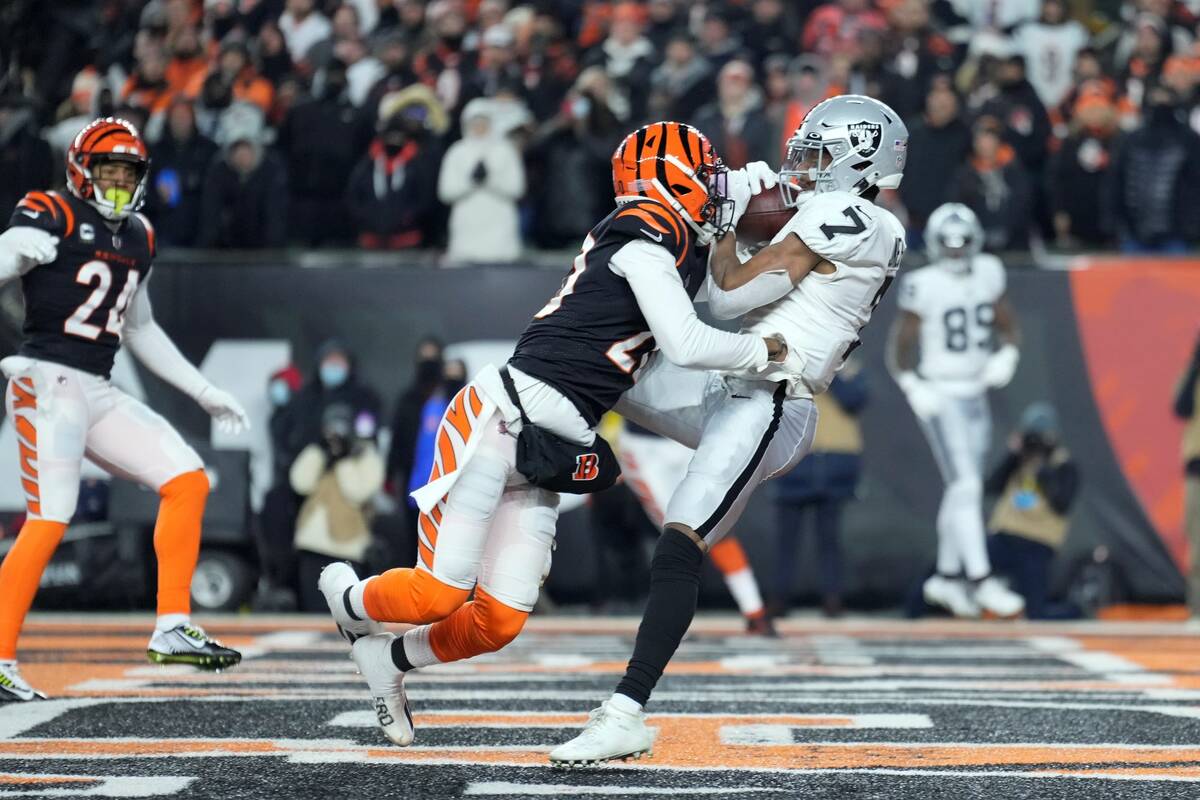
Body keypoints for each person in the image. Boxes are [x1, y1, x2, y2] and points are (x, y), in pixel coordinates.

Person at [319, 121, 798, 747]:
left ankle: (388, 661)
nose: (715, 188)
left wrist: (772, 219)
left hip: (549, 450)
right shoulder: (642, 233)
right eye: (704, 176)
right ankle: (350, 600)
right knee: (438, 592)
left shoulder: (674, 244)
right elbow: (688, 342)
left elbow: (729, 293)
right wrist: (766, 350)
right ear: (670, 181)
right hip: (498, 420)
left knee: (499, 622)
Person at [551, 95, 909, 765]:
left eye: (819, 149)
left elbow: (729, 296)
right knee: (593, 361)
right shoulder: (847, 215)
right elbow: (736, 275)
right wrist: (730, 205)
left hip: (772, 399)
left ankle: (624, 712)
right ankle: (547, 476)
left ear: (861, 156)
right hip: (731, 382)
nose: (804, 159)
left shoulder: (854, 215)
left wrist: (721, 222)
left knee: (682, 534)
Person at [0, 118, 249, 701]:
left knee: (187, 480)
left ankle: (170, 626)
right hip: (46, 379)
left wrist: (203, 390)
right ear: (80, 171)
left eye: (126, 172)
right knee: (51, 516)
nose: (116, 182)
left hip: (96, 386)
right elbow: (9, 254)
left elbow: (141, 328)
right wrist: (8, 255)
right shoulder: (48, 211)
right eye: (107, 170)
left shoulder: (139, 234)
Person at [888, 202, 1025, 619]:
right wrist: (913, 385)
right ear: (932, 245)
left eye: (962, 243)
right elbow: (899, 347)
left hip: (976, 393)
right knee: (966, 486)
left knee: (963, 488)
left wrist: (1010, 354)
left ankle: (946, 577)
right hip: (942, 393)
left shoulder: (988, 271)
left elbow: (1008, 324)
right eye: (947, 245)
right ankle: (981, 581)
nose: (955, 251)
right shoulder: (922, 284)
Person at [617, 420, 776, 635]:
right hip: (643, 446)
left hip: (688, 436)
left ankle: (754, 611)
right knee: (677, 532)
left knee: (715, 522)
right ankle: (670, 620)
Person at [770, 365, 868, 619]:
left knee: (829, 537)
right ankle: (780, 597)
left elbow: (855, 399)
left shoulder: (847, 364)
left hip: (835, 459)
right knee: (787, 538)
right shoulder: (790, 361)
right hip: (793, 454)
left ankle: (832, 597)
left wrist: (827, 370)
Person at [985, 403, 1080, 620]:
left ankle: (1077, 610)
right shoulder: (1017, 460)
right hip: (1004, 539)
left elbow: (1062, 504)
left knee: (1036, 613)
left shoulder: (1064, 465)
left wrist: (1043, 471)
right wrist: (1012, 454)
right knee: (961, 561)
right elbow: (990, 487)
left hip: (1036, 547)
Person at [291, 403, 384, 612]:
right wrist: (319, 453)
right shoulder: (320, 451)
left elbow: (358, 492)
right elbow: (300, 483)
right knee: (313, 609)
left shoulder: (364, 453)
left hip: (347, 546)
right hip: (311, 543)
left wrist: (345, 460)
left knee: (344, 610)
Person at [438, 99, 525, 264]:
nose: (479, 127)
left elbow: (517, 188)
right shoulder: (457, 152)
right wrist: (471, 182)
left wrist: (491, 180)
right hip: (466, 232)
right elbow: (446, 192)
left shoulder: (505, 150)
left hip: (500, 233)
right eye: (475, 123)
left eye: (484, 122)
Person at [1176, 331, 1200, 617]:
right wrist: (1195, 364)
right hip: (1198, 471)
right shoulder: (1193, 378)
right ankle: (1197, 608)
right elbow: (1180, 407)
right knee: (1197, 541)